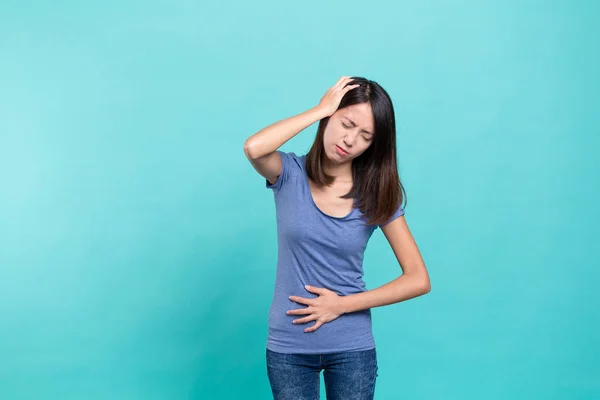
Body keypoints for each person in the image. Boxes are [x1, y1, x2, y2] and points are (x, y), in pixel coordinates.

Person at [243, 76, 431, 400]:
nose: (350, 140)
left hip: (351, 348)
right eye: (346, 123)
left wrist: (341, 305)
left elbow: (418, 279)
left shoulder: (375, 194)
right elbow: (253, 147)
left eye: (365, 136)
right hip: (288, 347)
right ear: (332, 115)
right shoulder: (288, 174)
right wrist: (319, 110)